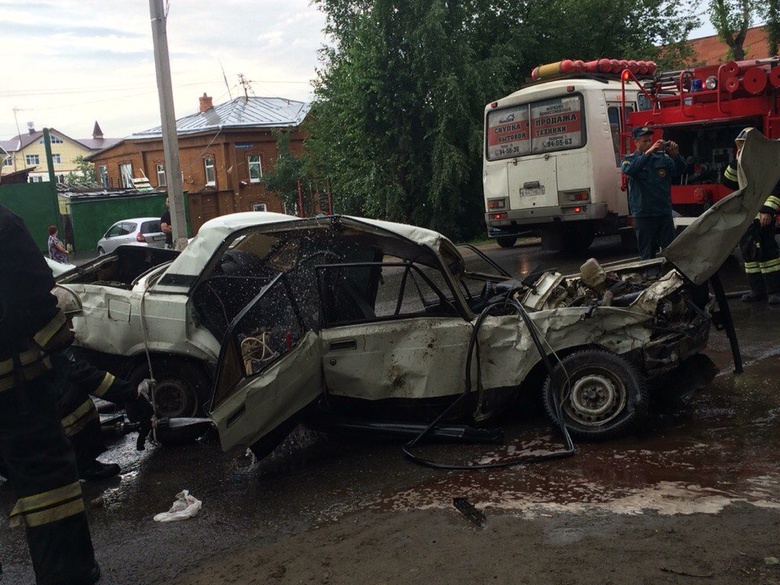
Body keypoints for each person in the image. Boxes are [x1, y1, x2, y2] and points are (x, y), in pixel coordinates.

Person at [0, 205, 100, 584]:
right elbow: (34, 297)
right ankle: (69, 573)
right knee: (49, 483)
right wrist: (59, 338)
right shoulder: (4, 225)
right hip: (15, 391)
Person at [722, 127, 780, 304]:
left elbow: (776, 187)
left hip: (761, 214)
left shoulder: (767, 162)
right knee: (749, 254)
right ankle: (757, 291)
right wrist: (736, 160)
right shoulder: (741, 161)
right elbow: (728, 181)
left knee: (768, 254)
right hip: (747, 215)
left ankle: (775, 292)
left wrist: (767, 210)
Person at [621, 126, 687, 259]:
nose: (648, 143)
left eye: (649, 140)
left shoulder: (662, 158)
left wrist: (676, 156)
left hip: (663, 212)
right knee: (647, 254)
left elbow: (680, 170)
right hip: (644, 214)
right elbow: (630, 170)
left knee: (671, 252)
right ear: (636, 142)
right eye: (644, 141)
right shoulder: (629, 159)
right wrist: (649, 152)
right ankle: (650, 277)